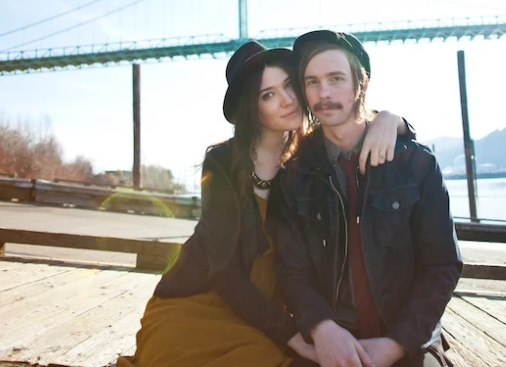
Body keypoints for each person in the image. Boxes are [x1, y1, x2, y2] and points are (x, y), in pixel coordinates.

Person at [116, 39, 412, 367]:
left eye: (289, 85)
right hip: (203, 298)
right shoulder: (223, 162)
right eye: (267, 94)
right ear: (252, 107)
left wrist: (391, 119)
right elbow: (224, 272)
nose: (286, 100)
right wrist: (297, 339)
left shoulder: (310, 154)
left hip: (277, 304)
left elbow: (356, 126)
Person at [270, 30, 463, 367]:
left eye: (336, 79)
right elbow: (291, 270)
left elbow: (442, 265)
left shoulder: (416, 164)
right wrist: (322, 328)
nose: (324, 93)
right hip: (332, 339)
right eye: (312, 82)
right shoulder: (293, 176)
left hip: (409, 339)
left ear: (362, 84)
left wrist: (396, 344)